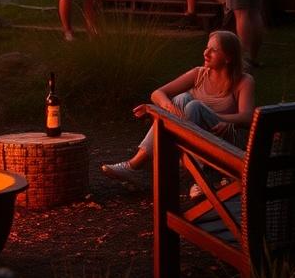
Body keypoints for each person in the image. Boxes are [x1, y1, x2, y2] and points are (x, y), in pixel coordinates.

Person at [101, 30, 254, 190]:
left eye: (213, 50)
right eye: (206, 48)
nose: (206, 53)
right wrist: (169, 109)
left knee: (194, 106)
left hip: (225, 141)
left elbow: (248, 116)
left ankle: (202, 178)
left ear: (228, 58)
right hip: (195, 141)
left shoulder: (244, 81)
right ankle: (138, 164)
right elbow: (157, 93)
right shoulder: (199, 74)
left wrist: (225, 120)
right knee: (180, 99)